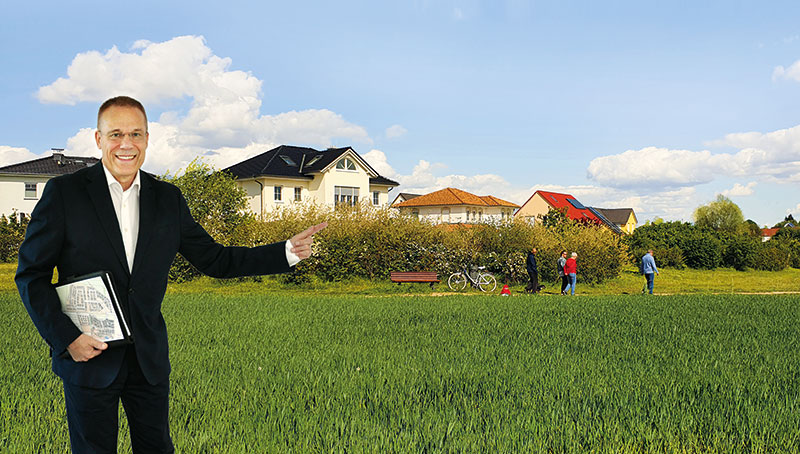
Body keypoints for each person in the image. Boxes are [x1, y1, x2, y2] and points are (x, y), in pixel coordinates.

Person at [15, 96, 327, 453]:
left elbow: (216, 260)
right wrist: (68, 338)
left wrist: (285, 251)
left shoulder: (168, 198)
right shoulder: (64, 193)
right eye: (115, 134)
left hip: (148, 360)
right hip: (88, 356)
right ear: (98, 139)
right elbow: (31, 276)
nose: (126, 144)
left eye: (135, 134)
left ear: (147, 138)